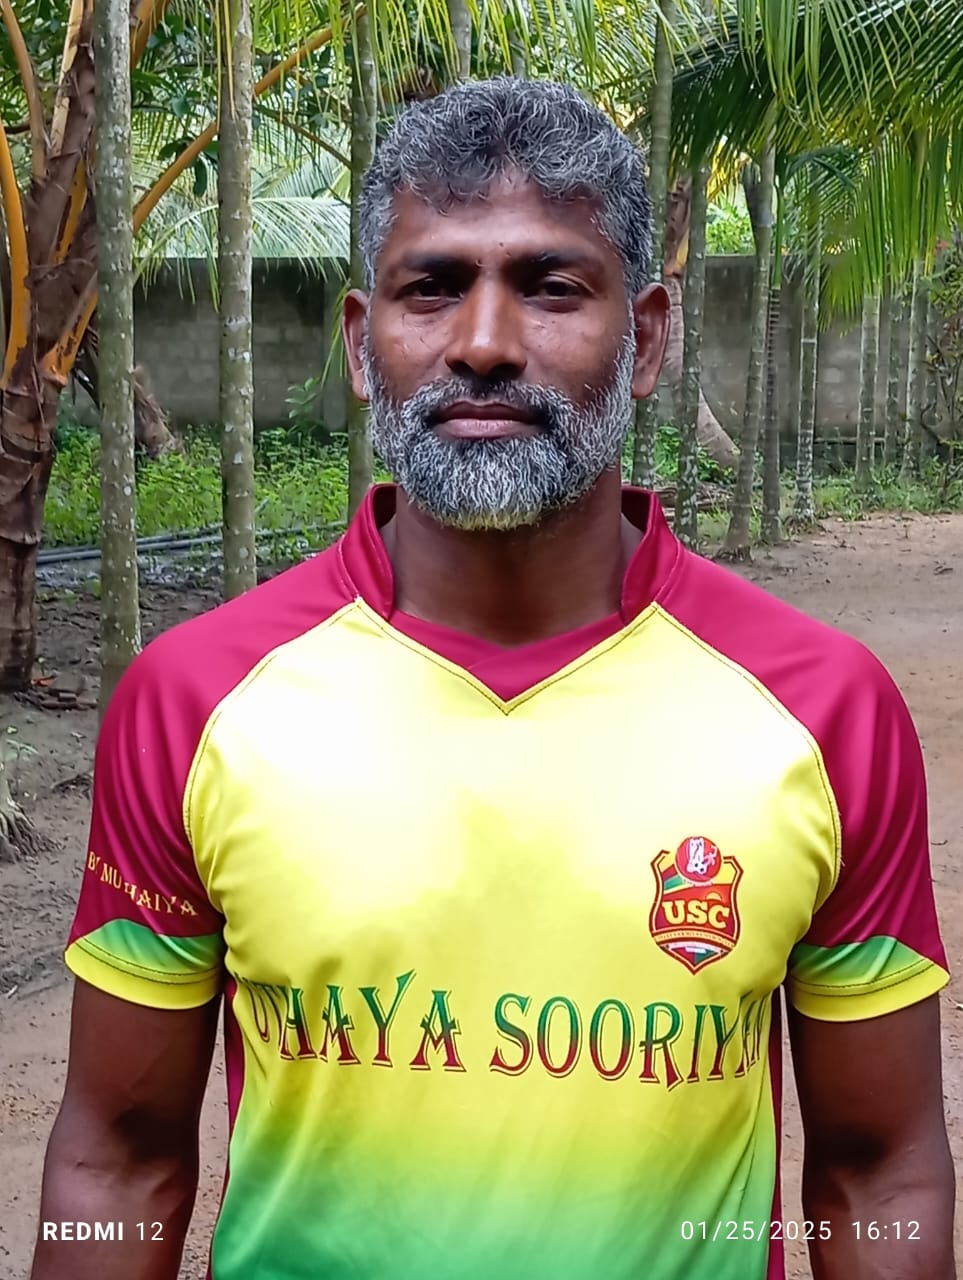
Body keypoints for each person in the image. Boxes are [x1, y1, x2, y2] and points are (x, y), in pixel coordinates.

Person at [33, 77, 954, 1280]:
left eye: (551, 284)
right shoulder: (195, 702)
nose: (482, 341)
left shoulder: (823, 710)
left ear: (650, 336)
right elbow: (118, 1153)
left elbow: (875, 1168)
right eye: (434, 286)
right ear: (364, 344)